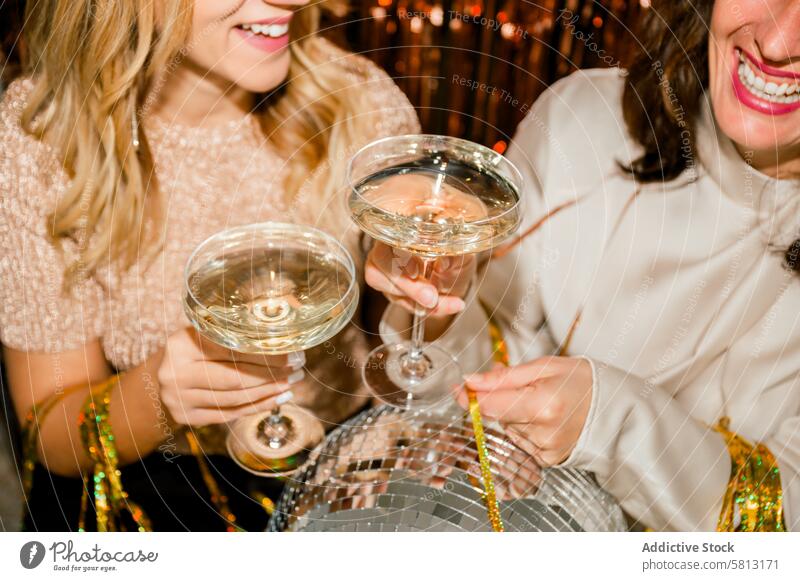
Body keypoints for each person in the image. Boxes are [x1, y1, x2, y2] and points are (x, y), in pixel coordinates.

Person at [367, 0, 800, 532]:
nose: (778, 43)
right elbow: (485, 352)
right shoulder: (588, 115)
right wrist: (438, 312)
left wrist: (612, 422)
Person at [0, 0, 418, 531]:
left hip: (346, 471)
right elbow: (50, 433)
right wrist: (157, 393)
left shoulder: (359, 99)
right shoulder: (41, 138)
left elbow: (415, 346)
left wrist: (434, 291)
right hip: (157, 493)